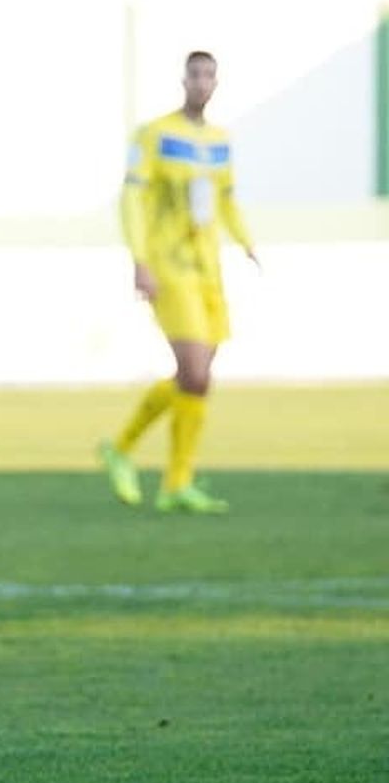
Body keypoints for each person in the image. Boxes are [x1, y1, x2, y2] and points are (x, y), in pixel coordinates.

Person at [99, 50, 257, 514]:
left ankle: (175, 482)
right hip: (169, 266)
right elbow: (131, 199)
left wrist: (246, 242)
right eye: (195, 74)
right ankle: (124, 449)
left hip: (208, 269)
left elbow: (226, 200)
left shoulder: (220, 141)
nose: (202, 82)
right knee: (195, 373)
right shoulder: (155, 135)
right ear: (183, 80)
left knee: (196, 381)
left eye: (210, 75)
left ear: (217, 83)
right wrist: (140, 260)